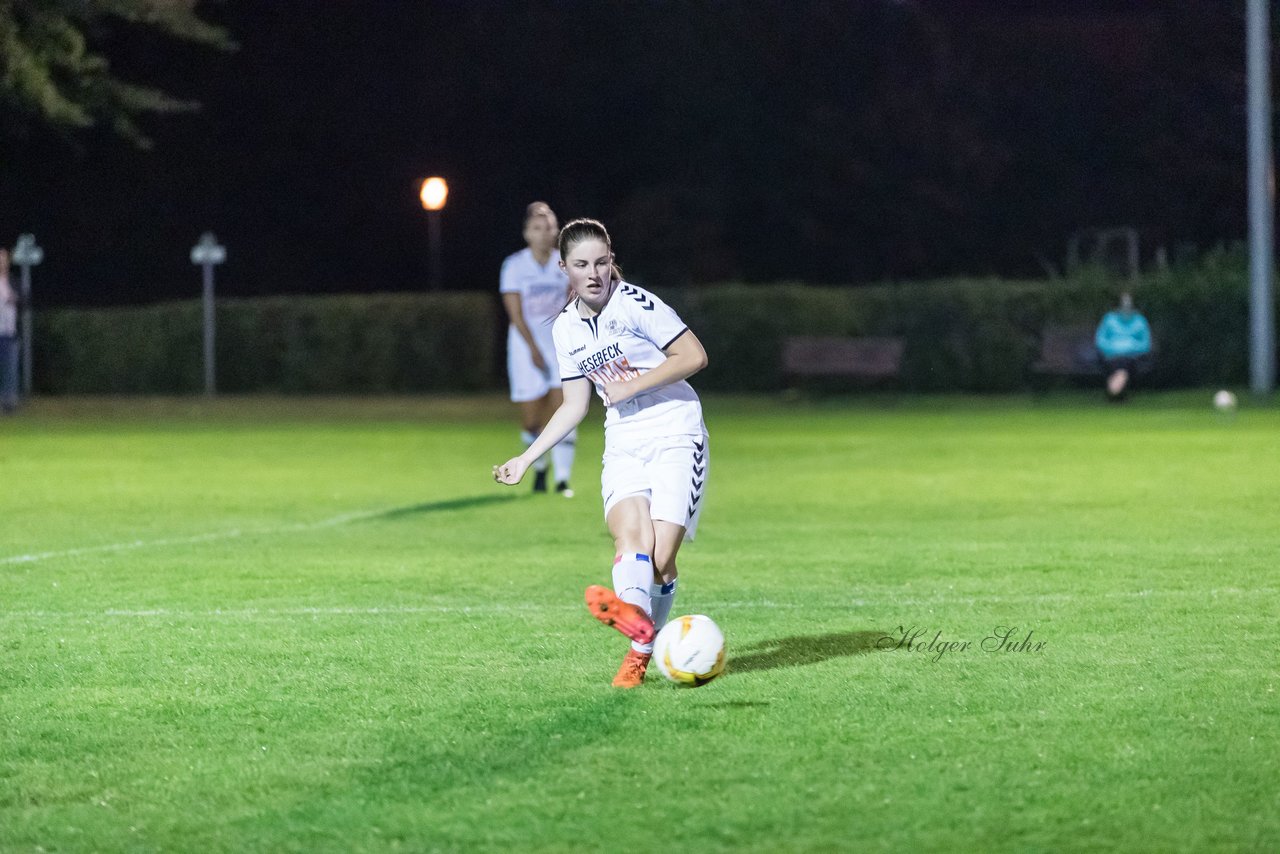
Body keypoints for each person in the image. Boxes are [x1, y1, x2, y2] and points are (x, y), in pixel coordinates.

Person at [493, 218, 710, 688]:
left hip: (676, 432)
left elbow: (694, 356)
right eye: (581, 265)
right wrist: (527, 459)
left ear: (612, 260)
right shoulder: (566, 329)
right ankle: (640, 638)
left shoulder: (637, 305)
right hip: (625, 441)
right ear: (564, 270)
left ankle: (641, 641)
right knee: (629, 539)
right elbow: (574, 406)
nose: (593, 273)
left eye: (601, 261)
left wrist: (635, 383)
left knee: (660, 560)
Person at [500, 202, 577, 496]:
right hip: (525, 349)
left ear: (556, 230)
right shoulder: (515, 266)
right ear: (526, 233)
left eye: (548, 226)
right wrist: (533, 348)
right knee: (532, 419)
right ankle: (540, 467)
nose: (543, 232)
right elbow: (515, 313)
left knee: (565, 408)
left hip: (560, 347)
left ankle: (562, 479)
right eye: (536, 227)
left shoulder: (565, 263)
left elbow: (576, 301)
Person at [1094, 291, 1153, 400]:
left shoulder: (1140, 321)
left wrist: (1128, 348)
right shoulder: (1109, 319)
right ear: (1118, 305)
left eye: (1129, 304)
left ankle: (1114, 392)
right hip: (1110, 357)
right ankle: (1118, 392)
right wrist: (1114, 350)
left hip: (1133, 358)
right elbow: (1100, 341)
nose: (1126, 307)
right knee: (1119, 365)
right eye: (1124, 304)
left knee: (1123, 363)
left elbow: (1146, 344)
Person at [0, 249, 19, 414]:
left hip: (9, 332)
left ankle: (9, 402)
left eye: (3, 259)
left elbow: (24, 297)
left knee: (9, 369)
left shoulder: (12, 281)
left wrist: (15, 298)